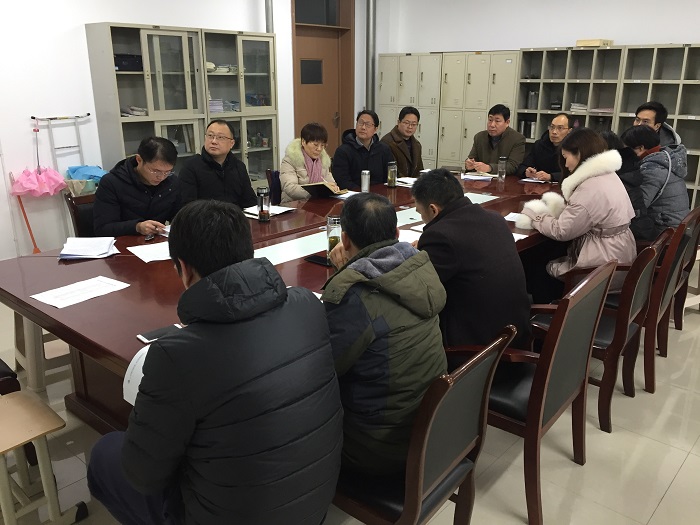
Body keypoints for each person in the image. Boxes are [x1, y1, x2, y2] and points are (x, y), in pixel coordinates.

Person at [87, 200, 343, 525]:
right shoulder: (307, 304)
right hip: (314, 507)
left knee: (106, 453)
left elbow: (143, 476)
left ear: (183, 268)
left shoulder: (176, 355)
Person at [322, 193, 447, 475]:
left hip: (378, 448)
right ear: (397, 233)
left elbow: (325, 369)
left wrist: (344, 276)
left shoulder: (354, 297)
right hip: (431, 428)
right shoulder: (420, 269)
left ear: (344, 239)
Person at [411, 169, 531, 348]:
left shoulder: (441, 236)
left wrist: (410, 255)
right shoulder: (495, 219)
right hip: (516, 333)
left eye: (420, 212)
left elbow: (418, 291)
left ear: (433, 210)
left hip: (478, 350)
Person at [516, 128, 636, 298]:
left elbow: (561, 231)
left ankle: (547, 311)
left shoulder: (589, 187)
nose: (565, 165)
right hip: (619, 253)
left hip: (600, 265)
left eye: (566, 157)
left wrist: (534, 213)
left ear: (579, 154)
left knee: (532, 264)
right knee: (546, 252)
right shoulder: (608, 175)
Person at [94, 136, 181, 237]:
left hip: (157, 242)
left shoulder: (171, 182)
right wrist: (137, 227)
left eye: (167, 171)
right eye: (155, 171)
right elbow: (102, 229)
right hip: (124, 243)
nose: (161, 177)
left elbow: (178, 217)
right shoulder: (112, 182)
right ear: (139, 160)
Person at [620, 124, 690, 240]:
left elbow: (638, 205)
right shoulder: (666, 158)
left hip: (665, 231)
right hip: (676, 225)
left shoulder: (652, 169)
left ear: (640, 148)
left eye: (627, 150)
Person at [179, 119, 257, 208]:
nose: (214, 141)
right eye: (210, 136)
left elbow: (250, 202)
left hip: (235, 216)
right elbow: (188, 207)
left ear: (231, 143)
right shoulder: (191, 166)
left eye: (220, 137)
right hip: (205, 216)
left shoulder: (238, 166)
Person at [331, 110, 393, 190]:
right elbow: (342, 181)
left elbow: (389, 177)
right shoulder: (343, 151)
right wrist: (362, 194)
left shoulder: (384, 149)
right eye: (360, 123)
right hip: (354, 195)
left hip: (380, 194)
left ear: (375, 129)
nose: (363, 127)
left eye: (368, 125)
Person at [279, 122, 338, 202]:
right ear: (303, 142)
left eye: (322, 145)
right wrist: (318, 191)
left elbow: (331, 183)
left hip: (318, 203)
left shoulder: (323, 160)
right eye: (315, 145)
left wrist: (334, 188)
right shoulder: (290, 160)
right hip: (293, 204)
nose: (319, 149)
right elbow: (290, 188)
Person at [464, 104, 526, 175]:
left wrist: (489, 168)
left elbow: (513, 166)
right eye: (490, 120)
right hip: (481, 179)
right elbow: (472, 159)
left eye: (497, 121)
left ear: (507, 122)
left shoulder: (517, 139)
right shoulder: (479, 137)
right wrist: (469, 164)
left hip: (505, 179)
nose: (492, 125)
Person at [516, 113, 573, 182]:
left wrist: (551, 176)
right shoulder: (539, 145)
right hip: (538, 186)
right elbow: (522, 167)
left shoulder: (573, 149)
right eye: (552, 127)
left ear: (569, 131)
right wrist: (526, 172)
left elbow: (574, 173)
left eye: (560, 128)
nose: (554, 132)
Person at [380, 106, 424, 177]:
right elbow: (390, 171)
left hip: (413, 183)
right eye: (406, 123)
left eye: (413, 124)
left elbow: (419, 170)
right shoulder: (387, 142)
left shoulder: (417, 145)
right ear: (398, 122)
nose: (410, 127)